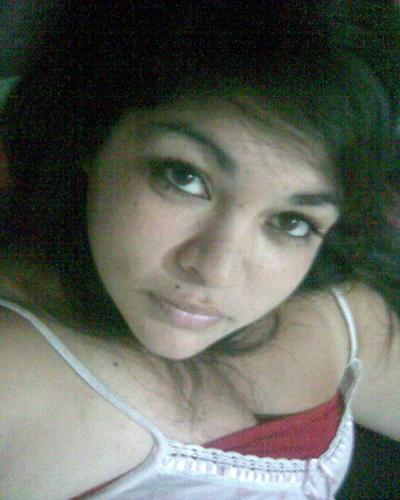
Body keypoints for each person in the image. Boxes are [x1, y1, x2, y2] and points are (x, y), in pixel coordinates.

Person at [0, 1, 399, 498]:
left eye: (291, 222)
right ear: (92, 137)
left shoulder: (343, 316)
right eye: (184, 178)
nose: (216, 270)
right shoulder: (13, 375)